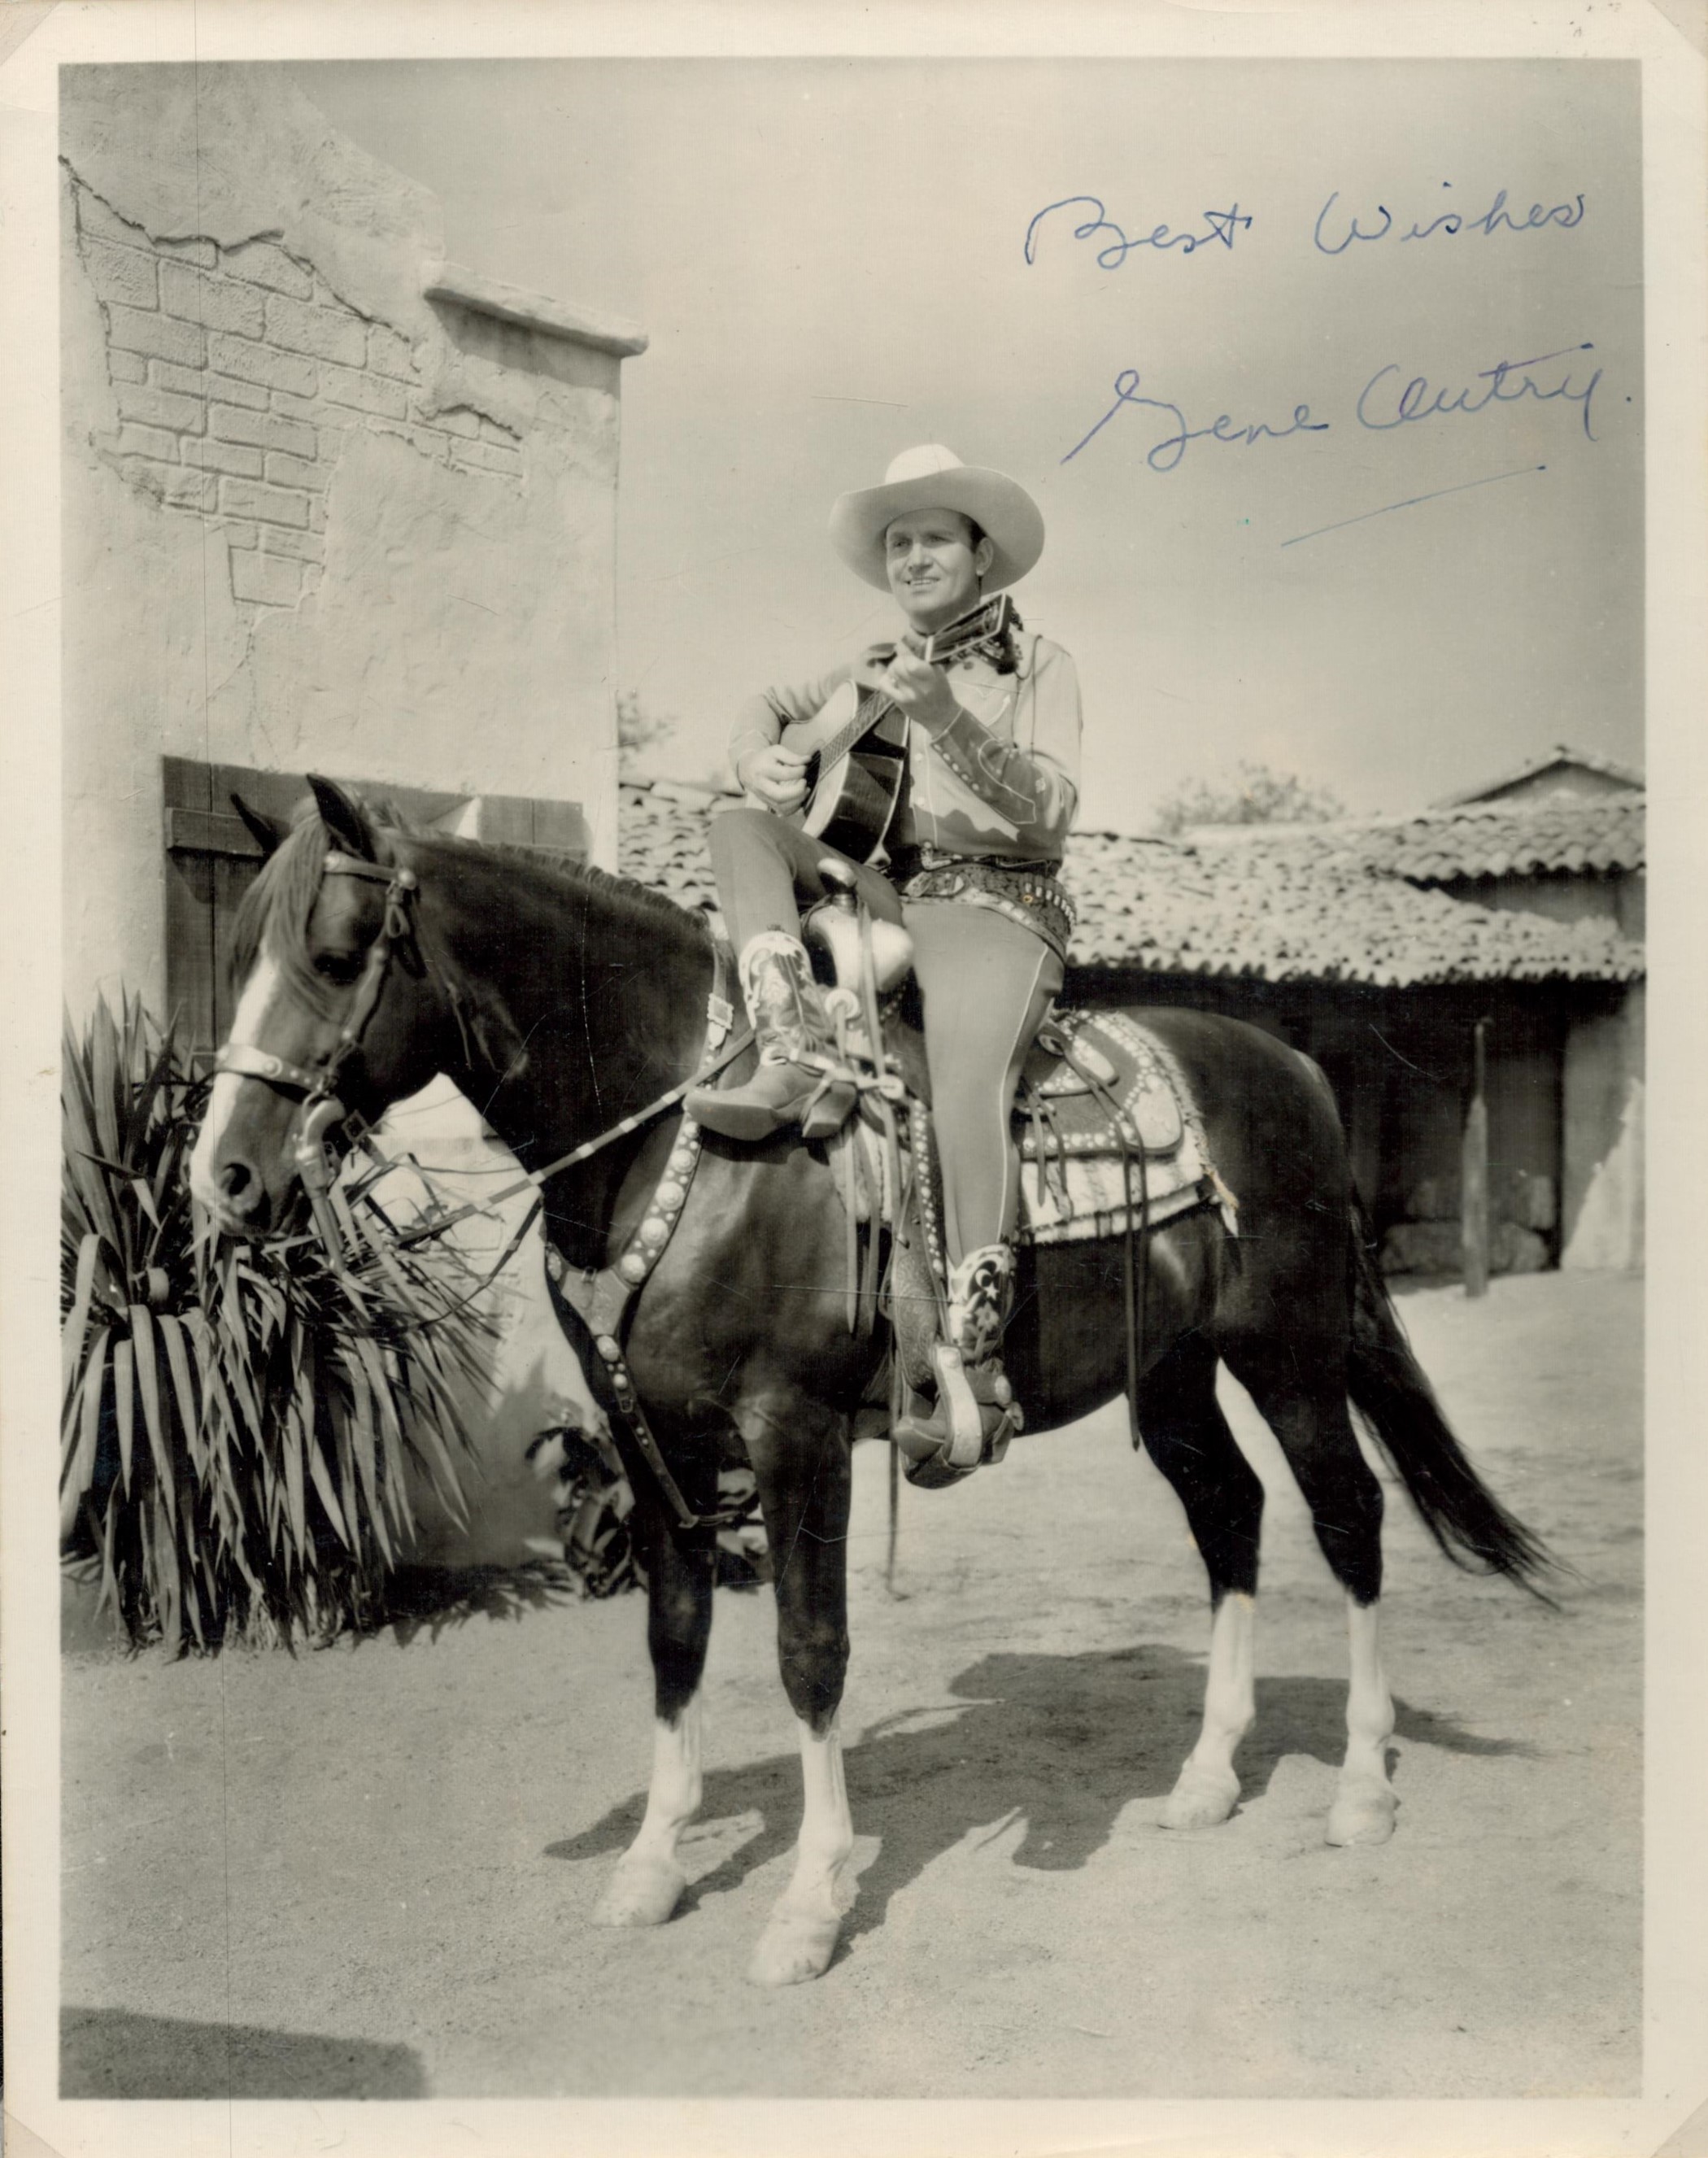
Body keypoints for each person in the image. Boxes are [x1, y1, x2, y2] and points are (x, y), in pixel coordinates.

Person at [685, 445, 1082, 1469]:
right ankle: (785, 1044)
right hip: (891, 893)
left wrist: (944, 714)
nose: (911, 557)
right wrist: (756, 754)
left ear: (982, 555)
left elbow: (1053, 814)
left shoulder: (1042, 667)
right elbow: (765, 707)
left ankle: (976, 1365)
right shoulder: (865, 663)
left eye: (933, 538)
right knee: (740, 825)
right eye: (897, 542)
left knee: (961, 1084)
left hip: (1002, 904)